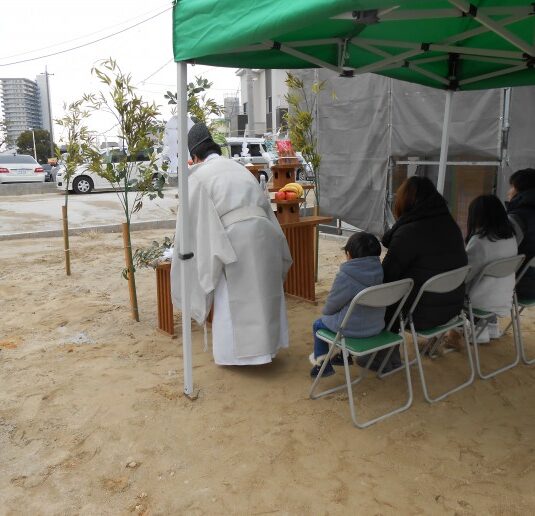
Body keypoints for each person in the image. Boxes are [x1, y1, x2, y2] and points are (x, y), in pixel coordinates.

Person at [171, 123, 293, 366]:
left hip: (234, 238)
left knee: (231, 298)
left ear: (194, 156)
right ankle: (268, 350)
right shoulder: (240, 169)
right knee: (264, 291)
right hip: (266, 233)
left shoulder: (198, 176)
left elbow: (192, 224)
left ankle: (238, 358)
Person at [374, 176, 467, 370]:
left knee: (380, 297)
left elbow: (387, 278)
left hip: (422, 315)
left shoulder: (408, 232)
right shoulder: (451, 224)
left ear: (406, 201)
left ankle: (382, 356)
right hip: (453, 309)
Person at [309, 232, 385, 377]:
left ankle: (322, 366)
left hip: (352, 331)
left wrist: (326, 310)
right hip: (376, 326)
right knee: (351, 312)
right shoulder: (380, 271)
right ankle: (343, 357)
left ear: (348, 254)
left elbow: (330, 308)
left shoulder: (346, 276)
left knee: (319, 324)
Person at [445, 195, 517, 347]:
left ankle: (466, 330)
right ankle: (490, 328)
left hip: (480, 302)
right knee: (488, 283)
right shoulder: (511, 238)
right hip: (504, 297)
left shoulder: (480, 241)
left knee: (452, 288)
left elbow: (465, 275)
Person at [506, 168, 535, 298]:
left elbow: (502, 252)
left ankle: (485, 318)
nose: (508, 192)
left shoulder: (518, 218)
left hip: (519, 286)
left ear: (520, 189)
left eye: (511, 187)